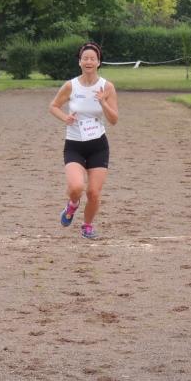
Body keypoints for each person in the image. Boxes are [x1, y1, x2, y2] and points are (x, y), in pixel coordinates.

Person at [49, 42, 119, 240]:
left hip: (98, 146)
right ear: (79, 62)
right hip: (74, 145)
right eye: (85, 58)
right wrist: (65, 118)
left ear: (99, 62)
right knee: (76, 188)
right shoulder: (71, 85)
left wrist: (103, 102)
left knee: (94, 193)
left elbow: (114, 120)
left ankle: (87, 226)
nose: (89, 61)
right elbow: (53, 106)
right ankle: (72, 205)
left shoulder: (107, 87)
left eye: (92, 58)